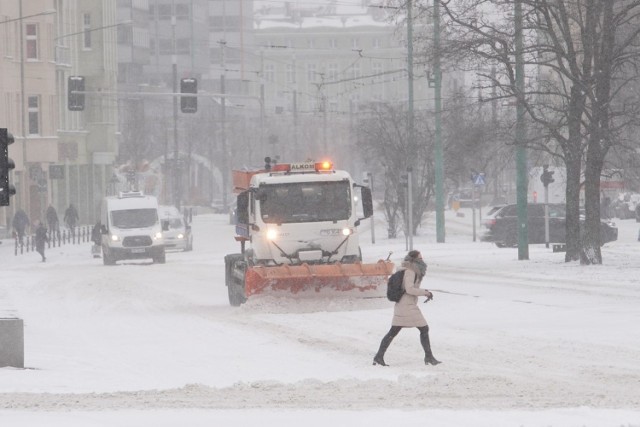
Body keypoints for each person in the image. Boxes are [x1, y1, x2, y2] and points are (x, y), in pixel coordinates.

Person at [373, 249, 441, 367]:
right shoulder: (411, 271)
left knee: (394, 331)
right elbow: (409, 289)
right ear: (415, 260)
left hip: (404, 305)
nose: (422, 260)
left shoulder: (410, 270)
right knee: (423, 329)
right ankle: (429, 357)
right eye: (420, 258)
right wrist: (425, 292)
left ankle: (379, 357)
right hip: (407, 305)